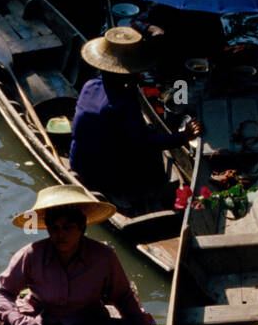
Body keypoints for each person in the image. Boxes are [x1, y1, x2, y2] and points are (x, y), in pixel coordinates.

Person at [0, 184, 156, 325]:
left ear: (81, 227)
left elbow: (123, 297)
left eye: (67, 227)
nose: (60, 234)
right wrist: (19, 321)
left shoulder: (103, 257)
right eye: (54, 228)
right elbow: (0, 292)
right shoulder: (31, 254)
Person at [68, 27, 201, 200]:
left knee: (142, 132)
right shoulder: (123, 102)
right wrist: (183, 137)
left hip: (79, 160)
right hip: (100, 171)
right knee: (151, 152)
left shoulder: (90, 85)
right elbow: (144, 143)